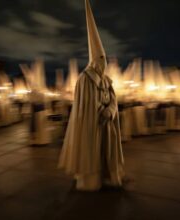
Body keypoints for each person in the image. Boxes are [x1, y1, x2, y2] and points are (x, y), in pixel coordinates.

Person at [58, 0, 124, 191]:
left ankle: (108, 177)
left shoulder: (107, 80)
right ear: (94, 60)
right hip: (92, 124)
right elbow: (85, 104)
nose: (103, 63)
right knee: (92, 151)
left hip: (107, 123)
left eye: (104, 58)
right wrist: (99, 112)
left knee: (107, 152)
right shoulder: (85, 79)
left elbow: (113, 98)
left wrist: (110, 110)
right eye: (100, 59)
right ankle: (90, 181)